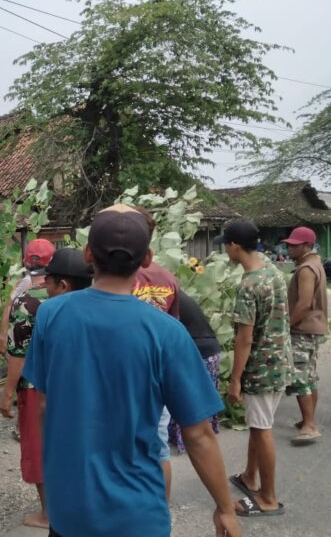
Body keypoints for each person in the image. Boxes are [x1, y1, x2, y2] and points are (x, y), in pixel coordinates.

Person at [22, 206, 238, 537]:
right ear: (148, 258)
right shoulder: (167, 333)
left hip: (70, 511)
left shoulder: (51, 315)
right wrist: (225, 509)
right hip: (137, 517)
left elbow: (44, 406)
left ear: (88, 254)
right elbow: (198, 435)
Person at [216, 220, 291, 517]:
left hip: (261, 367)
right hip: (280, 360)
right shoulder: (272, 269)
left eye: (226, 244)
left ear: (235, 246)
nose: (225, 249)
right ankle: (250, 476)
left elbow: (244, 338)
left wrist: (235, 380)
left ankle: (269, 498)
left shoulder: (248, 285)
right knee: (258, 424)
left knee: (262, 430)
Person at [0, 238, 56, 529]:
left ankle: (48, 514)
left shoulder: (26, 300)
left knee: (38, 446)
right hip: (69, 384)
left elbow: (17, 355)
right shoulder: (72, 294)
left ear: (26, 262)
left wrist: (7, 393)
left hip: (35, 387)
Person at [131, 206, 180, 500]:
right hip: (159, 372)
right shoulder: (168, 277)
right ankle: (162, 507)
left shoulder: (120, 275)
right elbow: (174, 328)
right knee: (159, 445)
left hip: (126, 373)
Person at [283, 226, 328, 444]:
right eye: (289, 244)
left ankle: (310, 426)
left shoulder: (306, 270)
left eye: (294, 245)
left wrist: (286, 325)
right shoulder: (315, 264)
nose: (289, 248)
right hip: (314, 328)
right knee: (310, 376)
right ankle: (307, 420)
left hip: (302, 328)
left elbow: (304, 303)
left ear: (307, 245)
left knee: (299, 377)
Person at [171, 290, 222, 453]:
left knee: (190, 401)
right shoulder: (177, 295)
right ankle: (204, 438)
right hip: (209, 348)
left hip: (199, 350)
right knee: (203, 401)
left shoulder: (169, 298)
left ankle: (193, 441)